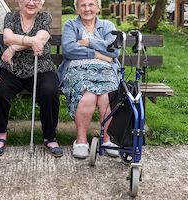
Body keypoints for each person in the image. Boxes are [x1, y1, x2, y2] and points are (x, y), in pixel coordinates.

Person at [0, 0, 63, 157]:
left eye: (36, 0)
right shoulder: (11, 17)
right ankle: (0, 134)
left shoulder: (45, 17)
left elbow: (41, 37)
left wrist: (14, 48)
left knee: (49, 91)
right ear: (20, 2)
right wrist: (31, 41)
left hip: (40, 68)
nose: (31, 2)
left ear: (41, 3)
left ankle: (50, 136)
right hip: (11, 68)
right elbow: (8, 37)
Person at [58, 0, 121, 159]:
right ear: (77, 8)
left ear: (98, 7)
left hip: (105, 70)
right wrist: (97, 54)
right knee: (88, 96)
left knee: (107, 96)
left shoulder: (107, 26)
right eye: (83, 5)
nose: (87, 9)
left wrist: (88, 42)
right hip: (77, 70)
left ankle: (107, 139)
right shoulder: (70, 25)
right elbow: (68, 50)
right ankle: (81, 140)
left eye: (91, 4)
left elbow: (114, 51)